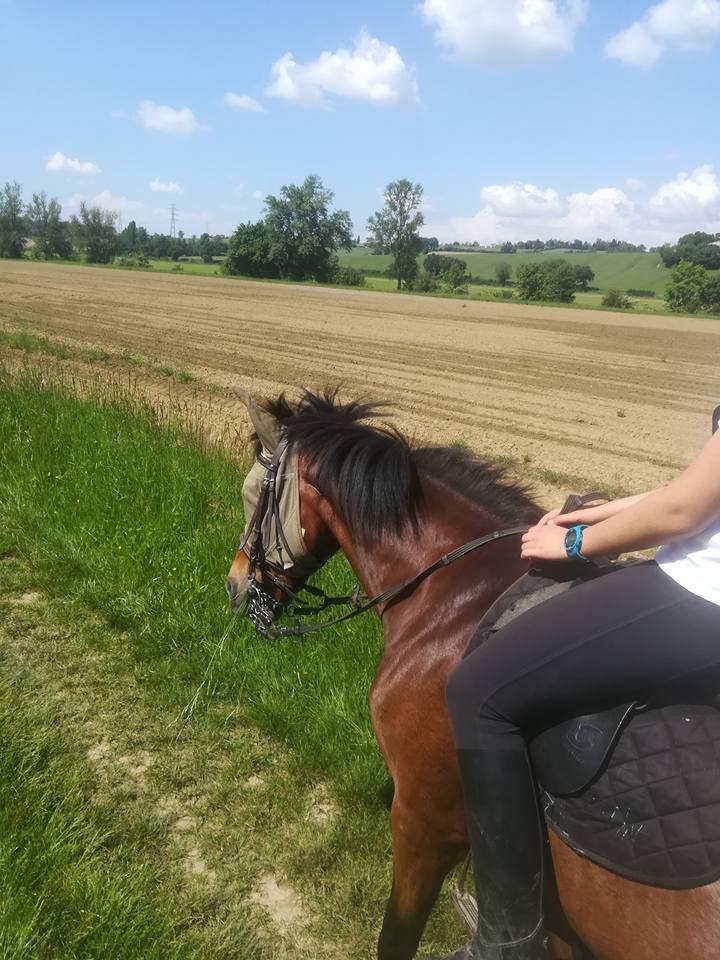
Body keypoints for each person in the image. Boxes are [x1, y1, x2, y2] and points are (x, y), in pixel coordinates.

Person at [431, 422, 720, 959]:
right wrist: (604, 512)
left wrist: (571, 542)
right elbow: (701, 488)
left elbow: (686, 513)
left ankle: (506, 944)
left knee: (477, 693)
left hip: (703, 597)